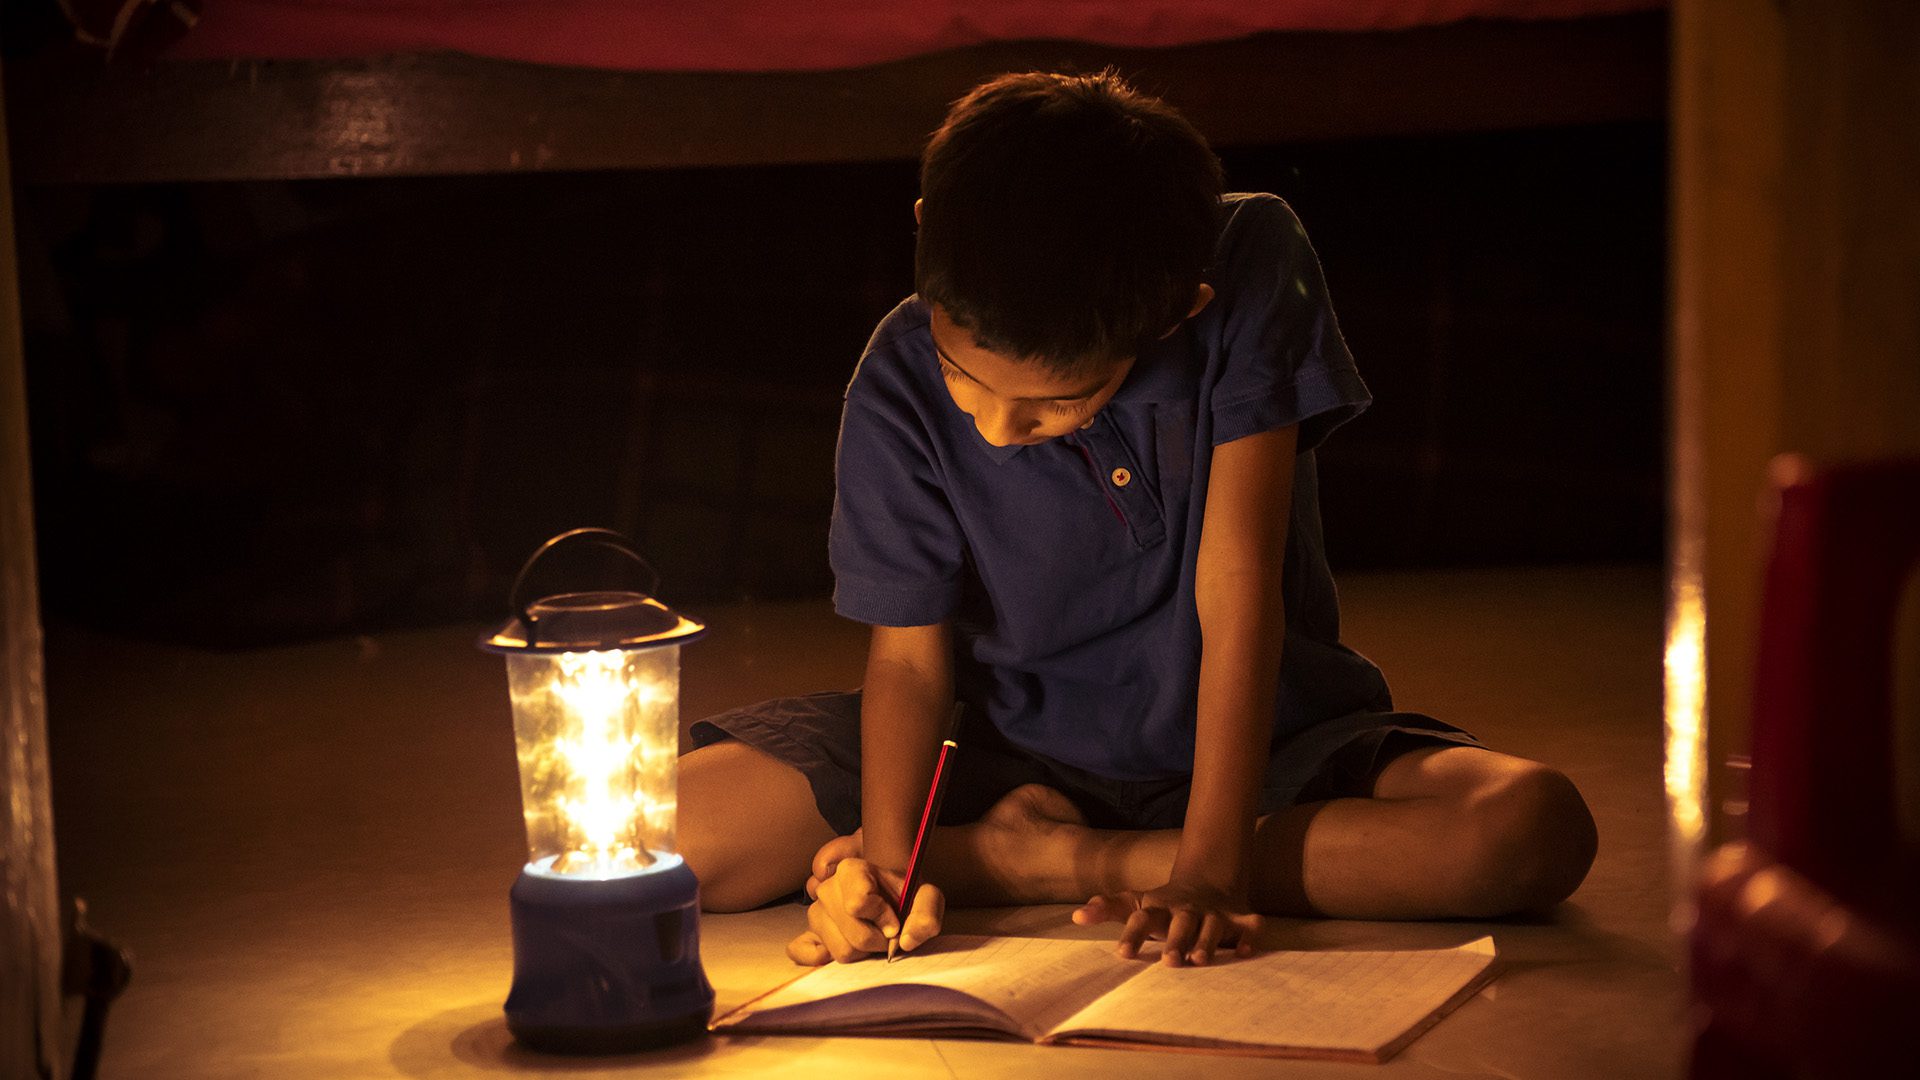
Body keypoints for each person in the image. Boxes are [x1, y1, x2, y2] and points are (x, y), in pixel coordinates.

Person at [677, 70, 1597, 968]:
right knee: (666, 832)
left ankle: (1018, 860)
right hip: (1003, 747)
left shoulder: (1248, 262)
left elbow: (1236, 584)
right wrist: (887, 870)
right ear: (927, 229)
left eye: (1056, 403)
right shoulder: (896, 377)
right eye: (966, 376)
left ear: (1172, 315)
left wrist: (1210, 867)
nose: (997, 428)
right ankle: (998, 845)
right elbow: (912, 661)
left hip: (1261, 743)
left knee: (1528, 830)